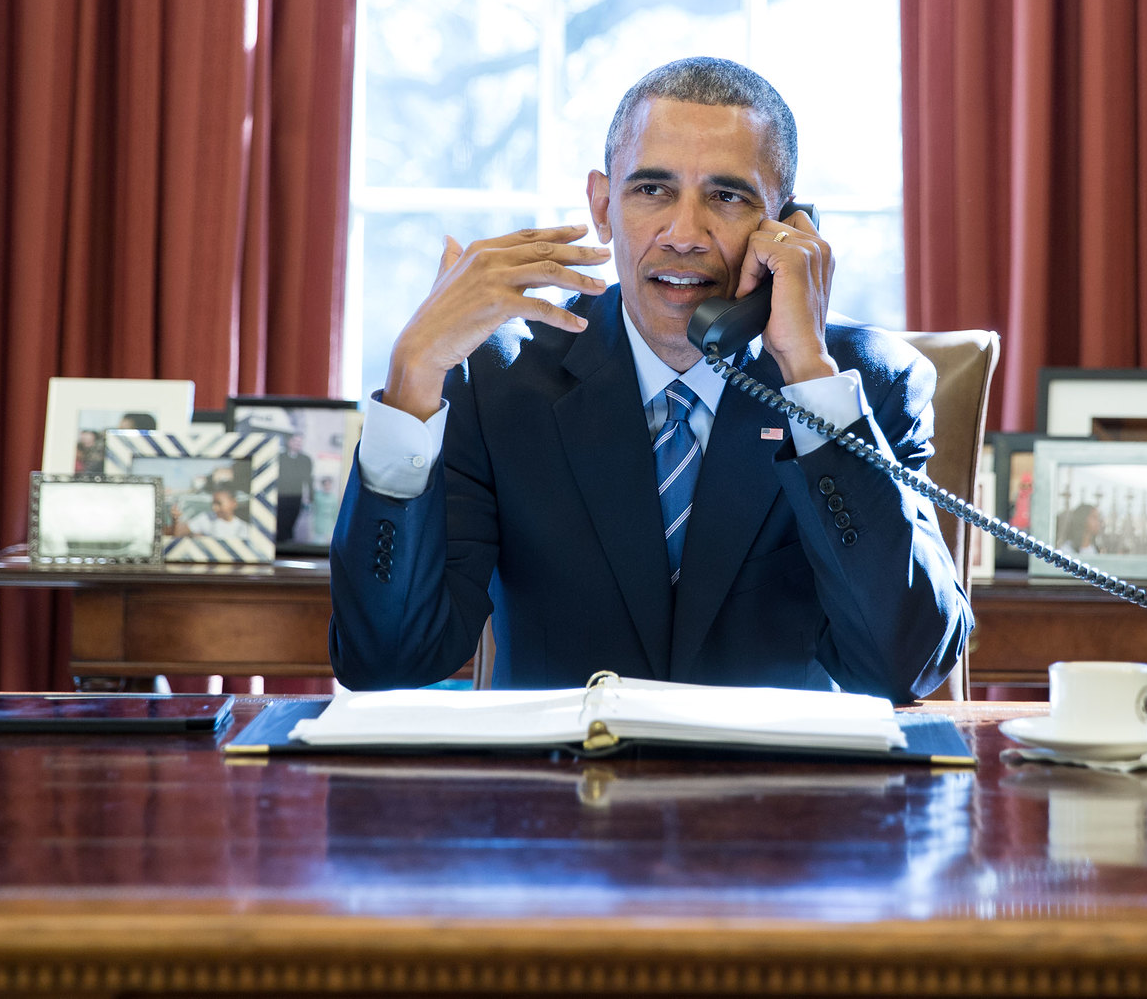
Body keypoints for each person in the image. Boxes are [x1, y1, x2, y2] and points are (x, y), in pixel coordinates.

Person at [329, 57, 971, 699]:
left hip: (778, 791)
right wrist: (411, 378)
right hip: (557, 789)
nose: (684, 235)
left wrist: (808, 377)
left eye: (727, 196)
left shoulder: (866, 385)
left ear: (788, 225)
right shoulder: (496, 377)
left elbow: (903, 666)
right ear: (603, 206)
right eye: (652, 190)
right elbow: (387, 660)